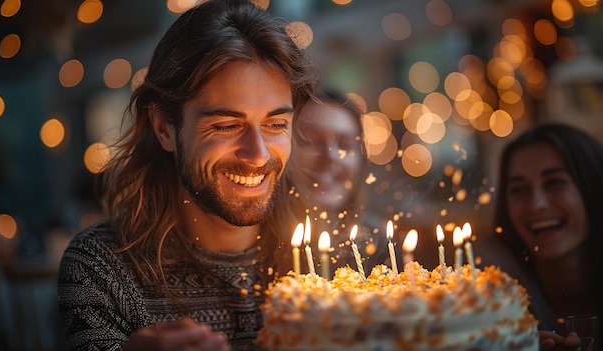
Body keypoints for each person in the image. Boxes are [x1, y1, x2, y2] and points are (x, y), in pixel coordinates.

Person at [56, 1, 316, 350]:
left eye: (276, 124)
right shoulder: (101, 268)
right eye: (226, 125)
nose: (259, 154)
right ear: (164, 127)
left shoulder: (327, 257)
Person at [491, 123, 603, 350]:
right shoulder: (492, 301)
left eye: (554, 183)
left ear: (593, 186)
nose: (537, 204)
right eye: (518, 189)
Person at [268, 86, 388, 278]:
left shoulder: (378, 242)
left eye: (345, 144)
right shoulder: (255, 244)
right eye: (310, 141)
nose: (330, 156)